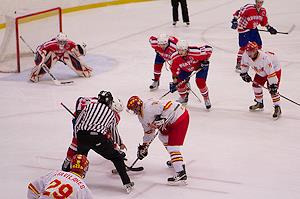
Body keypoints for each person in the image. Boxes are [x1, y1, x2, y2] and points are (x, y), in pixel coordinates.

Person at [74, 91, 134, 193]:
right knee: (117, 157)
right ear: (110, 102)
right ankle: (127, 183)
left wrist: (78, 137)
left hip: (82, 136)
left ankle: (72, 182)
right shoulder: (111, 113)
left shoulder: (89, 107)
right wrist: (120, 143)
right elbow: (113, 131)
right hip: (97, 138)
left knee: (80, 160)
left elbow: (77, 122)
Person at [127, 96, 189, 185]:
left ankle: (181, 173)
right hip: (170, 121)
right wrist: (145, 146)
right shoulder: (141, 117)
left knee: (173, 147)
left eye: (134, 109)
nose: (134, 111)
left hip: (179, 117)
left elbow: (169, 105)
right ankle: (176, 160)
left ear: (139, 105)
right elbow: (149, 132)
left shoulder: (150, 107)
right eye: (132, 110)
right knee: (163, 137)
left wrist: (163, 117)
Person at [61, 96, 126, 172]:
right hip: (80, 122)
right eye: (114, 111)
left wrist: (115, 148)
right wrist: (79, 113)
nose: (115, 113)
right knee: (76, 142)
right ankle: (68, 160)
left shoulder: (112, 116)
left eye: (117, 112)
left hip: (91, 126)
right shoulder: (93, 102)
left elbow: (109, 133)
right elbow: (80, 99)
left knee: (93, 139)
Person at [231, 0, 277, 72]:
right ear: (255, 2)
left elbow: (263, 21)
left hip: (253, 29)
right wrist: (234, 20)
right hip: (244, 29)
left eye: (261, 2)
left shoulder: (263, 11)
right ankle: (239, 64)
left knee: (258, 45)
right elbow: (238, 12)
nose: (259, 4)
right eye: (258, 2)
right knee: (244, 47)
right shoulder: (249, 8)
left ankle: (258, 63)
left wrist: (269, 28)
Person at [239, 41, 281, 119]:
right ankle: (259, 103)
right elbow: (244, 64)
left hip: (274, 69)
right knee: (256, 85)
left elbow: (271, 73)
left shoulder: (265, 59)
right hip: (261, 70)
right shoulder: (246, 54)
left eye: (251, 51)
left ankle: (277, 107)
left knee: (272, 89)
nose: (249, 53)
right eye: (248, 51)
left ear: (255, 50)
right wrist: (244, 73)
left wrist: (273, 85)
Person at [169, 40, 213, 109]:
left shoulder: (195, 52)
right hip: (185, 69)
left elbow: (209, 49)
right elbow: (174, 69)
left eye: (182, 50)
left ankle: (206, 98)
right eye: (179, 50)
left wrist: (205, 61)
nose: (180, 52)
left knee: (200, 82)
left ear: (187, 49)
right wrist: (175, 80)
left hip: (200, 67)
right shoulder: (175, 57)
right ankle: (184, 98)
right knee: (179, 82)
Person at [27, 154, 93, 199]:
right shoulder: (83, 189)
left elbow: (32, 187)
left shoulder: (55, 174)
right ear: (85, 169)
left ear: (71, 165)